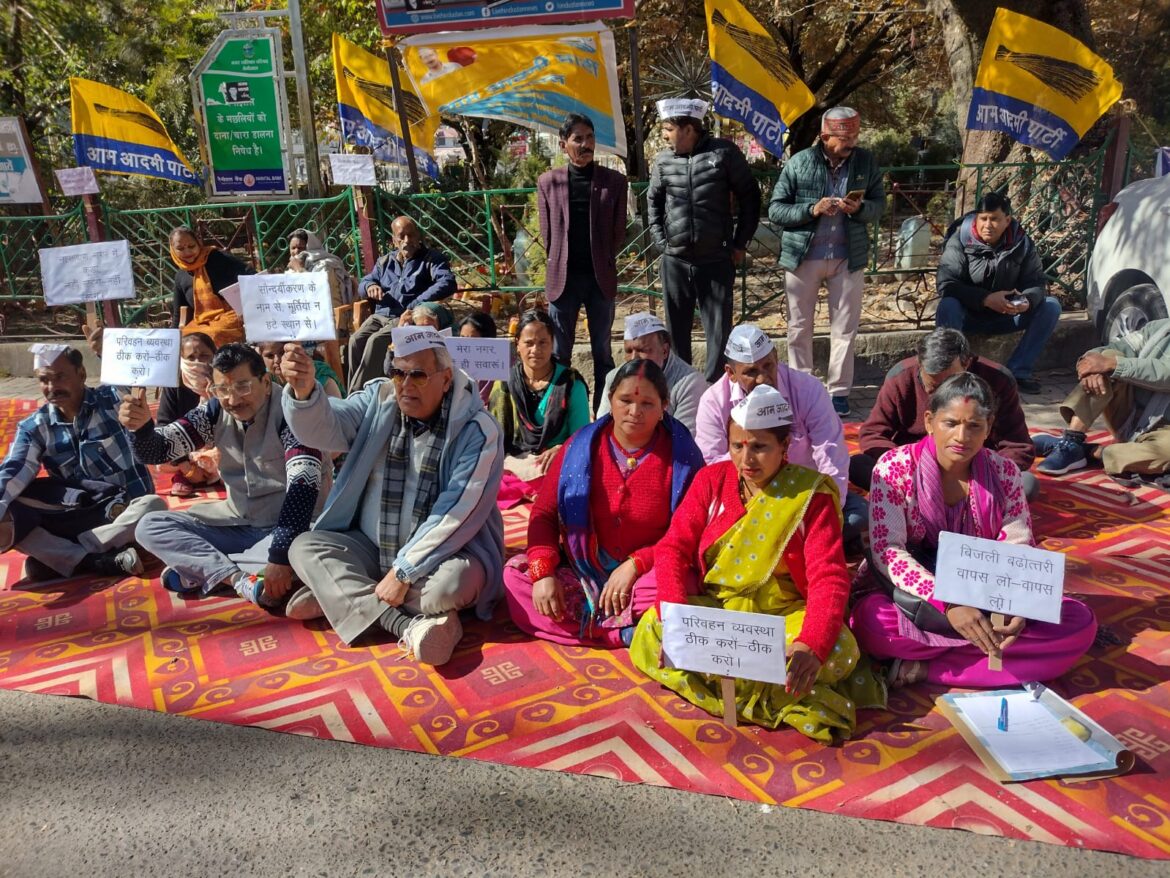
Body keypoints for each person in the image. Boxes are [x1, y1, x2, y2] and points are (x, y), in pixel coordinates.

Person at [629, 385, 886, 742]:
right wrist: (677, 618)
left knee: (839, 649)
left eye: (760, 447)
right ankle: (772, 693)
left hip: (784, 619)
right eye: (738, 446)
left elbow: (828, 576)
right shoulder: (711, 480)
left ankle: (728, 681)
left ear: (784, 447)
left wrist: (810, 643)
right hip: (719, 611)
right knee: (650, 629)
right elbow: (673, 547)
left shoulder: (810, 496)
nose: (747, 459)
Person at [849, 373, 1097, 688]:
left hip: (987, 595)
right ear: (929, 422)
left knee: (1079, 623)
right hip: (919, 598)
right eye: (950, 423)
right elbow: (889, 551)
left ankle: (927, 669)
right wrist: (949, 603)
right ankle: (995, 659)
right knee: (872, 623)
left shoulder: (1004, 472)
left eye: (974, 426)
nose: (962, 437)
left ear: (989, 428)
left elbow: (1018, 546)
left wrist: (1018, 602)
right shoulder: (893, 467)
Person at [279, 326, 505, 667]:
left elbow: (457, 512)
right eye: (398, 373)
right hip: (372, 546)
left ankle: (342, 596)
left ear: (446, 379)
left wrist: (404, 572)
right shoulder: (379, 398)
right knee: (304, 547)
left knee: (452, 586)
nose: (405, 384)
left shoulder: (478, 429)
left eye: (417, 375)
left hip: (442, 556)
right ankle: (405, 624)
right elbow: (327, 429)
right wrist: (304, 391)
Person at [504, 359, 704, 648]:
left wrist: (636, 564)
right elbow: (544, 513)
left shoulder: (683, 458)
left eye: (648, 403)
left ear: (664, 406)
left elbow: (689, 533)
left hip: (644, 576)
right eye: (625, 400)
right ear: (610, 400)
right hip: (583, 571)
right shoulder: (580, 447)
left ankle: (590, 628)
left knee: (683, 583)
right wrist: (544, 574)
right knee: (516, 578)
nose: (635, 412)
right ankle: (620, 633)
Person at [123, 344, 329, 606]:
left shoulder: (294, 413)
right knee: (150, 526)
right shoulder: (214, 411)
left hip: (293, 527)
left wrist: (279, 556)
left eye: (243, 387)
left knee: (304, 553)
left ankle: (202, 569)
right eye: (223, 390)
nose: (233, 400)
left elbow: (303, 490)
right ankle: (237, 579)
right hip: (237, 521)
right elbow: (158, 450)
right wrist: (140, 428)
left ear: (265, 382)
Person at [0, 345, 165, 581]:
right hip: (72, 514)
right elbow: (15, 468)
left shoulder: (111, 401)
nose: (52, 387)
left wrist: (106, 353)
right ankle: (96, 560)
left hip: (122, 513)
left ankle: (70, 558)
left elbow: (131, 385)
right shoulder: (35, 427)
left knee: (154, 507)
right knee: (7, 514)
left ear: (82, 374)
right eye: (44, 380)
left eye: (60, 377)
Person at [694, 325, 864, 544]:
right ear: (731, 373)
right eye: (751, 372)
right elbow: (712, 466)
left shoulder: (807, 389)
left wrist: (830, 511)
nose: (763, 379)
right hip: (748, 498)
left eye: (768, 366)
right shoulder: (713, 402)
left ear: (776, 357)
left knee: (857, 515)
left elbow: (830, 451)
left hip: (804, 492)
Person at [768, 107, 885, 417]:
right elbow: (776, 210)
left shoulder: (864, 161)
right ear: (825, 137)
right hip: (803, 256)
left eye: (855, 136)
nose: (852, 143)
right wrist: (812, 209)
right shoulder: (799, 162)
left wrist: (858, 209)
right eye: (845, 138)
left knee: (845, 328)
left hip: (848, 257)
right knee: (799, 327)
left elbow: (879, 205)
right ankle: (801, 386)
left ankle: (839, 392)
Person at [647, 98, 760, 383]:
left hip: (716, 258)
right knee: (675, 331)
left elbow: (750, 196)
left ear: (688, 129)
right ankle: (681, 387)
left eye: (669, 128)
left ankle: (715, 388)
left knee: (719, 331)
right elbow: (653, 203)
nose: (664, 135)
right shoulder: (662, 161)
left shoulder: (724, 153)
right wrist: (662, 243)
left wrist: (739, 242)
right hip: (675, 260)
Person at [853, 328, 1037, 500]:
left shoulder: (999, 380)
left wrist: (979, 471)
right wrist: (906, 467)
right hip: (914, 473)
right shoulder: (901, 377)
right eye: (932, 387)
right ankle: (922, 500)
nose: (941, 395)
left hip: (974, 472)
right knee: (858, 465)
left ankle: (956, 502)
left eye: (950, 384)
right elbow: (873, 434)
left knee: (1026, 483)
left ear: (966, 364)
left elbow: (1018, 445)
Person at [536, 113, 628, 413]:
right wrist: (561, 261)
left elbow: (618, 233)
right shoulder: (548, 183)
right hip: (563, 281)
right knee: (560, 352)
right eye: (578, 138)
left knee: (602, 350)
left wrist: (600, 257)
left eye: (590, 137)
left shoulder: (613, 182)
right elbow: (547, 233)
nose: (586, 144)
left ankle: (603, 414)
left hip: (600, 279)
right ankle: (562, 415)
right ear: (564, 145)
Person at [935, 192, 1062, 395]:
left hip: (1007, 314)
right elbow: (947, 284)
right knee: (948, 304)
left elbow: (1036, 282)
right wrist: (985, 299)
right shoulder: (959, 239)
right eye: (983, 218)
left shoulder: (1022, 243)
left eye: (994, 219)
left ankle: (1018, 371)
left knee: (1051, 306)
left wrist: (1027, 300)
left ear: (1007, 220)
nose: (988, 225)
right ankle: (949, 374)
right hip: (968, 315)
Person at [1036, 317, 1170, 479]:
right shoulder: (1160, 328)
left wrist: (1114, 364)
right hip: (1131, 417)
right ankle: (1071, 441)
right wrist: (1091, 365)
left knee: (1111, 362)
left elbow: (1165, 374)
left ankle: (1091, 452)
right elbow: (1116, 348)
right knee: (1108, 356)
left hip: (1164, 436)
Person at [348, 216, 457, 392]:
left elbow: (447, 282)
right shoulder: (385, 262)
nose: (407, 240)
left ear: (418, 236)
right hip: (381, 314)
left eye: (411, 235)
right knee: (356, 340)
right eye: (402, 236)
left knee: (375, 342)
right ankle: (358, 392)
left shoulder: (431, 259)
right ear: (394, 240)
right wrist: (370, 286)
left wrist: (416, 303)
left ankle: (360, 395)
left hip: (404, 316)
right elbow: (364, 283)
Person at [488, 310, 590, 482]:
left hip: (557, 464)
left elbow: (582, 439)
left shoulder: (570, 384)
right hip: (514, 465)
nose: (536, 350)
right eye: (529, 343)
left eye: (543, 342)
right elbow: (494, 439)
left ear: (552, 344)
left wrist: (562, 449)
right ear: (517, 344)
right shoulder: (504, 384)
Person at [595, 312, 707, 435]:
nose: (634, 358)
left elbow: (683, 437)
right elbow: (602, 428)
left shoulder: (690, 384)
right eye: (628, 351)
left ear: (664, 350)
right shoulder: (614, 377)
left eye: (642, 350)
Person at [157, 332, 222, 497]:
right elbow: (164, 426)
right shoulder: (175, 384)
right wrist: (187, 467)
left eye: (204, 356)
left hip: (223, 446)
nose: (197, 362)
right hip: (185, 450)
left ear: (215, 355)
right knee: (157, 448)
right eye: (191, 357)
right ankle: (185, 475)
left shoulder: (224, 380)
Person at [169, 226, 253, 347]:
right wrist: (170, 338)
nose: (187, 252)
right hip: (202, 322)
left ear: (198, 243)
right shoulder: (180, 276)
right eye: (180, 248)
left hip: (232, 316)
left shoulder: (218, 258)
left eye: (191, 246)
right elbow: (179, 313)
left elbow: (250, 274)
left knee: (213, 335)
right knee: (185, 338)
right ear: (173, 250)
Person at [288, 228, 352, 308]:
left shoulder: (326, 265)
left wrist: (299, 269)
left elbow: (318, 290)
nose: (296, 252)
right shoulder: (293, 268)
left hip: (329, 312)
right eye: (293, 248)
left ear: (311, 248)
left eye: (301, 248)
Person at [255, 342, 343, 399]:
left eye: (282, 352)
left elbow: (336, 414)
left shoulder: (320, 375)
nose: (277, 360)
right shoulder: (265, 380)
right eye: (270, 356)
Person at [456, 311, 499, 406]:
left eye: (472, 340)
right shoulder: (455, 364)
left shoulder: (498, 366)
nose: (466, 345)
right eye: (462, 338)